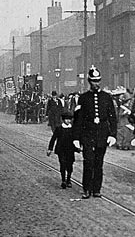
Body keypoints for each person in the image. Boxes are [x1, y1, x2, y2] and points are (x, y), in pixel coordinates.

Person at [72, 66, 117, 198]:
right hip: (87, 134)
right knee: (88, 162)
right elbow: (78, 119)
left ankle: (96, 189)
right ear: (89, 82)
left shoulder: (107, 97)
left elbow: (112, 118)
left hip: (102, 134)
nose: (96, 83)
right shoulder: (83, 98)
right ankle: (86, 188)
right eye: (93, 81)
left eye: (98, 81)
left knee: (99, 163)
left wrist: (112, 135)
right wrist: (76, 137)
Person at [47, 110, 78, 188]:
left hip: (70, 150)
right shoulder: (59, 128)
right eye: (67, 119)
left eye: (70, 119)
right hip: (61, 150)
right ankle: (63, 180)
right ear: (63, 119)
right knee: (63, 165)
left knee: (70, 165)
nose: (68, 121)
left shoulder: (73, 129)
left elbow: (76, 139)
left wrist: (78, 148)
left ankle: (68, 179)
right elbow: (53, 139)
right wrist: (50, 148)